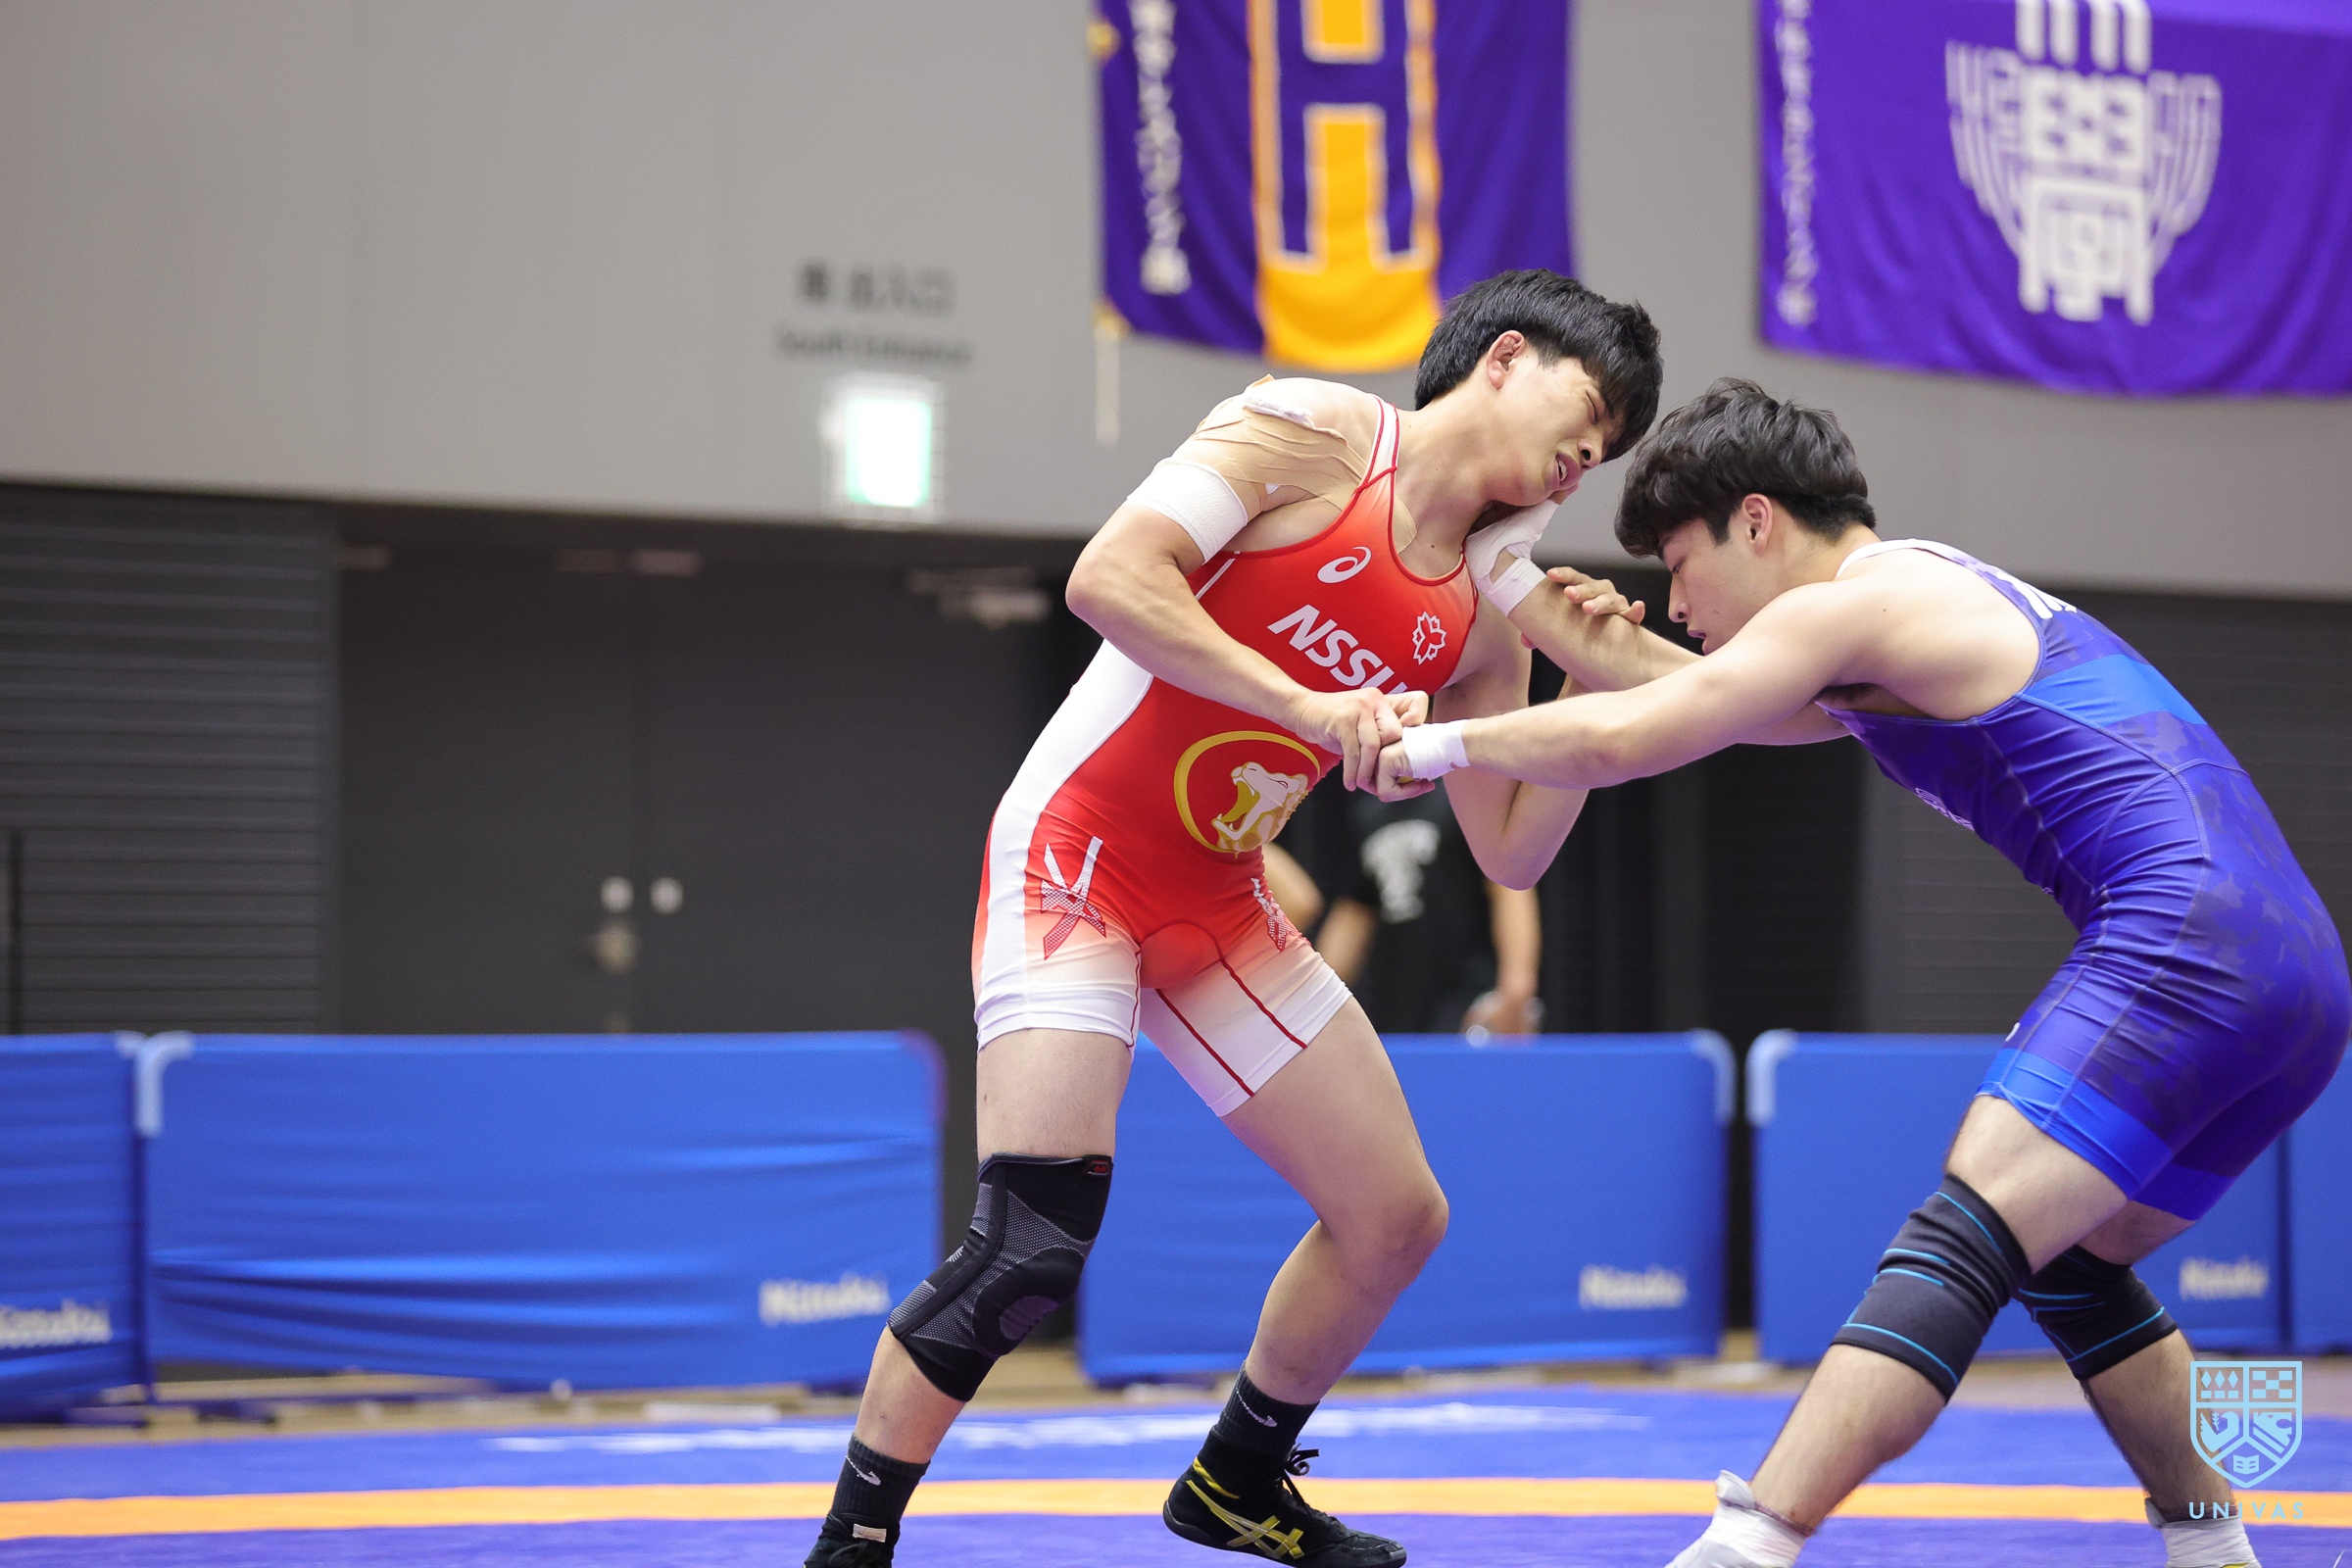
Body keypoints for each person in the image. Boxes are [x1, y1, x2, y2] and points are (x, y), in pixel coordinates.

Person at [1377, 377, 2351, 1568]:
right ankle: (2212, 1542)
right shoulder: (1904, 601)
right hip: (2300, 977)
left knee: (1964, 1235)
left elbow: (1629, 737)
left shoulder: (1860, 604)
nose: (1676, 604)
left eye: (1680, 566)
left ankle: (1747, 1543)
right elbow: (1688, 693)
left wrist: (1426, 742)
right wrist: (1508, 576)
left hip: (2190, 936)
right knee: (2071, 1266)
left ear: (1755, 521)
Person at [802, 270, 1664, 1568]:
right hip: (1079, 858)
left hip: (1217, 901)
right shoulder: (1313, 433)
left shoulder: (1488, 615)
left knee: (1396, 1218)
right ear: (1501, 358)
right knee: (1033, 1239)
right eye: (1586, 413)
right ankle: (854, 1541)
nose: (1585, 458)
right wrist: (1313, 708)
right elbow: (1110, 578)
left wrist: (1586, 710)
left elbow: (1511, 848)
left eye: (1605, 450)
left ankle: (1236, 1480)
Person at [1304, 783, 1546, 1038]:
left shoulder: (1464, 794)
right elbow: (1353, 915)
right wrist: (1313, 1004)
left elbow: (1508, 887)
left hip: (1470, 1003)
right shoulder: (1369, 815)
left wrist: (1517, 987)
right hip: (1399, 1006)